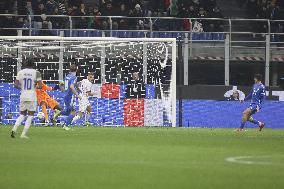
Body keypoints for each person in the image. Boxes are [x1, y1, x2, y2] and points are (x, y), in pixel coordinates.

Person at [11, 58, 43, 138]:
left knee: (22, 114)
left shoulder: (20, 72)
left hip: (23, 95)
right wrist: (35, 86)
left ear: (25, 64)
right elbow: (40, 85)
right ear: (33, 64)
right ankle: (23, 134)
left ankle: (14, 129)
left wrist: (22, 88)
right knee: (30, 115)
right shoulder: (36, 73)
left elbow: (15, 85)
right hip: (31, 95)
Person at [61, 64, 81, 130]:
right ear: (76, 70)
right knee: (74, 112)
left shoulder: (66, 76)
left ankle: (58, 112)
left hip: (66, 96)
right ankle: (65, 126)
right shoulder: (74, 77)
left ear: (69, 70)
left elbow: (61, 84)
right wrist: (77, 95)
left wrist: (64, 91)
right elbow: (71, 86)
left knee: (67, 112)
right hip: (70, 97)